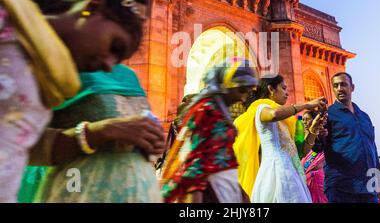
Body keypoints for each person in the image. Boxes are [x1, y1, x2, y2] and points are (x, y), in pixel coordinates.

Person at [0, 0, 148, 202]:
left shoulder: (50, 80)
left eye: (119, 59)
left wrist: (100, 133)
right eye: (114, 46)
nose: (110, 65)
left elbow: (20, 146)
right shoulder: (6, 21)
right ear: (92, 6)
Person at [24, 64, 163, 203]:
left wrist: (152, 142)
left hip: (140, 191)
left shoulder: (129, 75)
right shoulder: (53, 67)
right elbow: (20, 144)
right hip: (79, 189)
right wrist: (100, 131)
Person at [160, 58, 258, 203]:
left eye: (248, 92)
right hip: (212, 189)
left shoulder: (217, 110)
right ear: (226, 84)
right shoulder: (205, 110)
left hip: (225, 186)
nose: (243, 98)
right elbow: (195, 161)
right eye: (242, 90)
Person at [233, 74, 327, 203]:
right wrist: (306, 105)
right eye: (283, 88)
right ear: (271, 89)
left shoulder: (287, 120)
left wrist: (314, 129)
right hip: (275, 172)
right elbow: (273, 115)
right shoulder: (261, 109)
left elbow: (301, 151)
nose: (287, 93)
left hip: (293, 173)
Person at [323, 72, 380, 203]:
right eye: (335, 85)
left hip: (368, 186)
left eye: (343, 84)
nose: (339, 88)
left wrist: (378, 182)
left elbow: (372, 149)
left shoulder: (364, 117)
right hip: (341, 186)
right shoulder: (328, 115)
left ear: (352, 87)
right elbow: (318, 147)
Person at [301, 110, 328, 203]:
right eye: (303, 120)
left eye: (307, 119)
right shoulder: (302, 139)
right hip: (305, 183)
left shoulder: (322, 134)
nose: (304, 122)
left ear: (315, 120)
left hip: (318, 179)